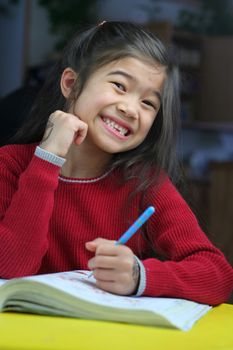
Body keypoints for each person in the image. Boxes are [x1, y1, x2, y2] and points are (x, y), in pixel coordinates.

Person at [0, 21, 232, 304]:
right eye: (120, 86)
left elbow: (218, 276)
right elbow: (10, 269)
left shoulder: (146, 182)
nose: (131, 109)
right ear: (71, 84)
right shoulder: (10, 163)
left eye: (148, 103)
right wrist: (48, 156)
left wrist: (138, 276)